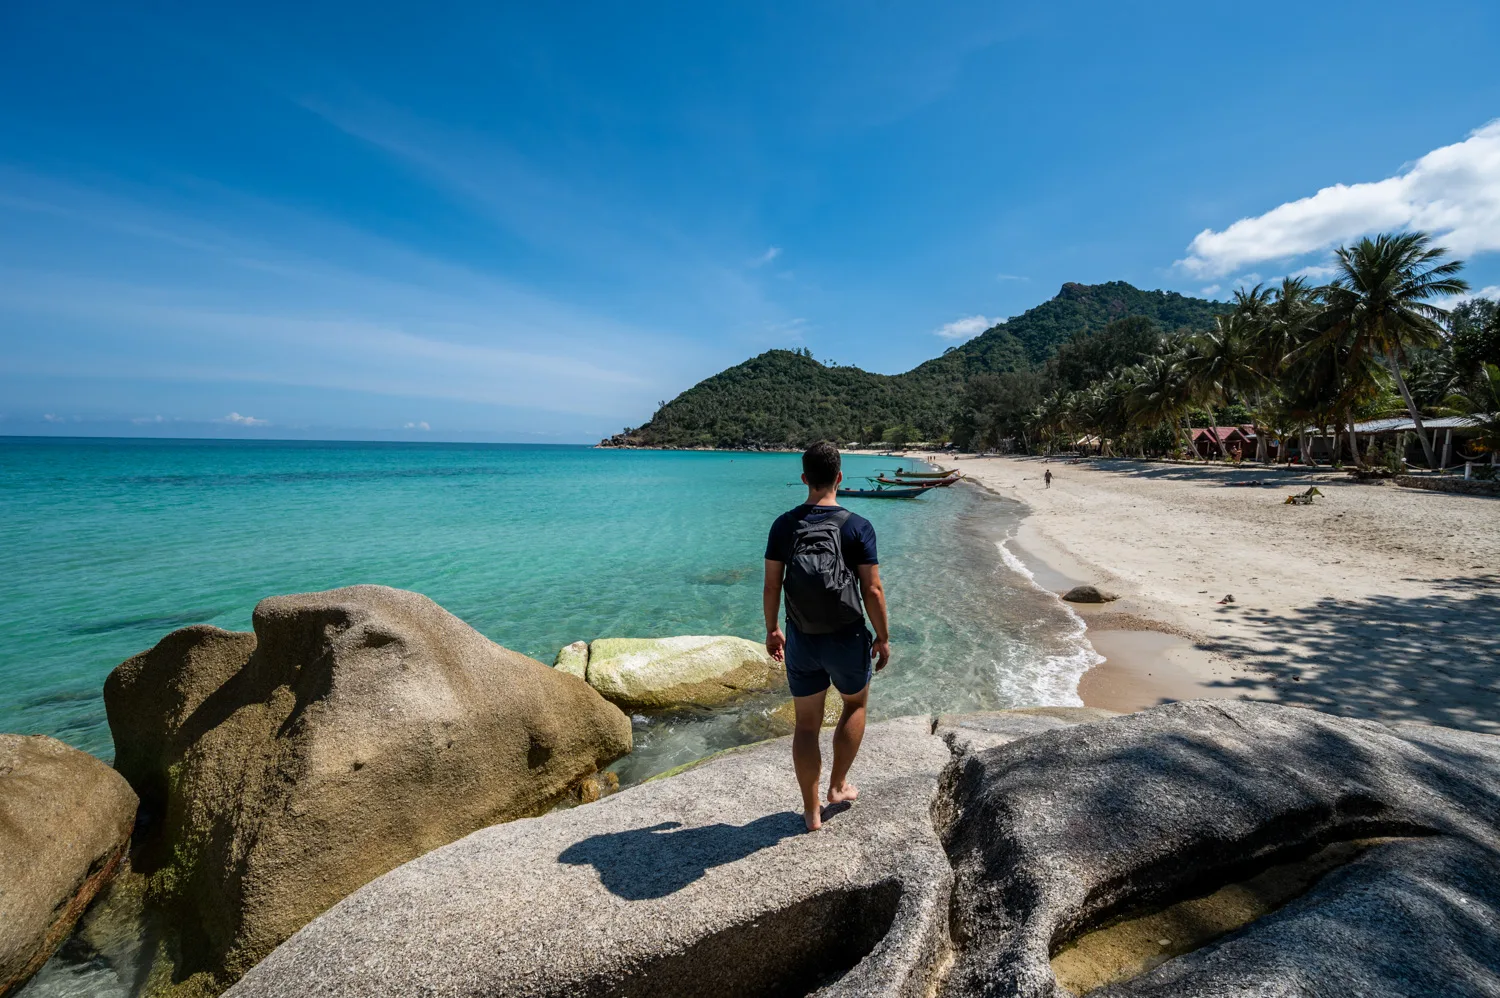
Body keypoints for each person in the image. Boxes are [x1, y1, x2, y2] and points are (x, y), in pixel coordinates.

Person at [763, 442, 891, 832]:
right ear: (839, 477)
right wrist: (883, 637)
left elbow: (772, 585)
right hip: (846, 636)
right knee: (854, 706)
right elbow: (873, 590)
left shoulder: (784, 525)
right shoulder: (857, 526)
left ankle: (811, 810)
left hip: (801, 637)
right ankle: (837, 787)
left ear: (804, 478)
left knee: (806, 726)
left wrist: (772, 630)